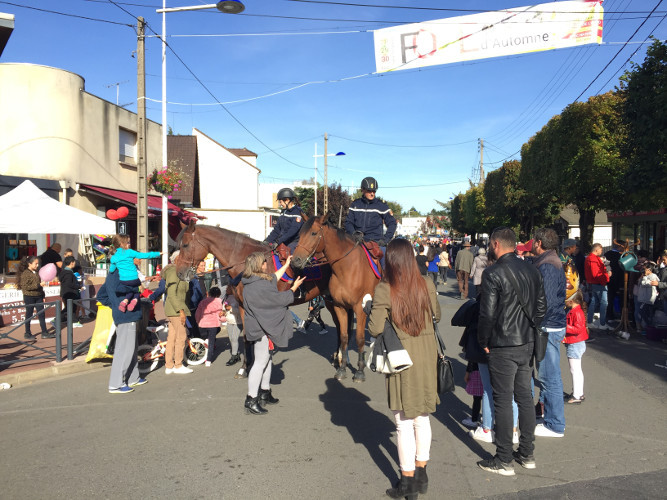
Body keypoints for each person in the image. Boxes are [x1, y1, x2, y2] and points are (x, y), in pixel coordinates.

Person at [366, 238, 441, 498]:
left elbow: (375, 329)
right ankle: (421, 471)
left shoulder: (385, 289)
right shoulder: (428, 283)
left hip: (401, 356)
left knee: (403, 422)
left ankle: (407, 483)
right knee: (422, 417)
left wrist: (373, 309)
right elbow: (437, 316)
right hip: (427, 353)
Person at [477, 227, 546, 476]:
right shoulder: (532, 269)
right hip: (527, 341)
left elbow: (488, 313)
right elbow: (541, 307)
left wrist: (483, 339)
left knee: (503, 400)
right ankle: (527, 453)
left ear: (496, 244)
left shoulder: (493, 273)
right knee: (525, 398)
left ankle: (504, 457)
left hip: (503, 343)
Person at [241, 252, 305, 415]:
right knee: (260, 362)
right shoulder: (259, 285)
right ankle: (251, 399)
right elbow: (278, 300)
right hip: (261, 327)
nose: (266, 264)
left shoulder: (254, 280)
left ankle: (265, 392)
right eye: (264, 262)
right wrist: (293, 289)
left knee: (267, 359)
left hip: (260, 325)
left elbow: (273, 277)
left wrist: (286, 264)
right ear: (258, 265)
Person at [531, 228, 567, 438]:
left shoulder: (549, 265)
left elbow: (548, 300)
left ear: (539, 243)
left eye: (533, 241)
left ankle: (554, 424)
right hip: (551, 323)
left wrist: (535, 321)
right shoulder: (549, 261)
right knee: (548, 375)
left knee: (549, 376)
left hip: (548, 325)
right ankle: (545, 414)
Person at [96, 263, 147, 393]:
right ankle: (116, 384)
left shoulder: (113, 274)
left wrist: (114, 304)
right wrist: (118, 304)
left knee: (131, 348)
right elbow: (119, 291)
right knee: (125, 350)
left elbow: (101, 295)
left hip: (126, 315)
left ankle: (132, 377)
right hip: (126, 316)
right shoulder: (122, 275)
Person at [345, 177, 397, 267]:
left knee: (386, 265)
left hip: (376, 243)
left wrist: (385, 240)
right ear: (363, 190)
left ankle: (386, 279)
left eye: (374, 191)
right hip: (357, 242)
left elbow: (392, 223)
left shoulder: (382, 206)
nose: (372, 193)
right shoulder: (355, 205)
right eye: (369, 191)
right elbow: (348, 222)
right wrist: (353, 233)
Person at [108, 234, 160, 312]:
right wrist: (158, 253)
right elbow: (145, 255)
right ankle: (134, 300)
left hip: (123, 281)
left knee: (130, 290)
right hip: (134, 279)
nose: (129, 244)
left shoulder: (114, 257)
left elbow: (111, 270)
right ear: (122, 243)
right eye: (128, 242)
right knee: (136, 290)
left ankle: (125, 301)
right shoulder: (129, 252)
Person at [162, 251, 194, 375]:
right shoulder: (173, 272)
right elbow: (172, 293)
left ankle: (169, 365)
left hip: (174, 309)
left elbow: (190, 278)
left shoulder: (179, 272)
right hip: (175, 310)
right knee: (181, 337)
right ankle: (178, 365)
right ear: (177, 260)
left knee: (172, 337)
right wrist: (181, 310)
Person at [17, 256, 54, 340]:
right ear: (29, 264)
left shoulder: (37, 272)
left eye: (38, 264)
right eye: (35, 264)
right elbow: (25, 286)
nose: (37, 265)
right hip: (29, 296)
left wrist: (43, 295)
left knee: (41, 314)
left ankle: (44, 332)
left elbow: (40, 285)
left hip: (38, 296)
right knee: (29, 314)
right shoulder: (25, 273)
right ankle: (27, 333)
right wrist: (38, 285)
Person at [564, 289, 588, 404]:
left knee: (575, 370)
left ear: (572, 300)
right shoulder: (576, 311)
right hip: (577, 342)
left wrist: (564, 326)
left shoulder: (576, 312)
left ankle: (577, 395)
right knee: (577, 370)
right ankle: (579, 392)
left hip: (575, 343)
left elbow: (578, 329)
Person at [263, 187, 304, 253]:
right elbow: (276, 230)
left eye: (281, 202)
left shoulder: (298, 212)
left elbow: (292, 231)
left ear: (287, 200)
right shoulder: (283, 212)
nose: (280, 204)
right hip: (282, 240)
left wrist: (278, 241)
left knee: (289, 252)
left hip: (294, 242)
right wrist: (267, 241)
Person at [585, 243, 612, 330]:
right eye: (600, 249)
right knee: (604, 303)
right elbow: (596, 274)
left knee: (593, 301)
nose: (601, 251)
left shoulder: (591, 258)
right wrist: (606, 276)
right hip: (599, 283)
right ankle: (602, 323)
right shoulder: (593, 259)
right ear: (596, 250)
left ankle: (590, 321)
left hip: (594, 283)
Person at [195, 286, 224, 367]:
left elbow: (198, 313)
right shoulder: (219, 301)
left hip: (203, 323)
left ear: (209, 293)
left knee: (207, 338)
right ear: (219, 294)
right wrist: (224, 319)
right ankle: (208, 360)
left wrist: (198, 321)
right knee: (211, 342)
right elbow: (220, 314)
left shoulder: (203, 302)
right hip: (213, 324)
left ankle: (205, 340)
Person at [59, 256, 83, 328]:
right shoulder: (68, 273)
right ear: (72, 263)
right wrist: (78, 286)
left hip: (67, 292)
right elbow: (69, 284)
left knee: (71, 308)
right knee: (70, 307)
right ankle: (57, 319)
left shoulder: (64, 272)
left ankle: (74, 321)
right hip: (69, 292)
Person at [605, 242, 624, 321]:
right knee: (621, 299)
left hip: (609, 280)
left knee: (610, 299)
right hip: (619, 280)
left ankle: (609, 315)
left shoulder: (606, 254)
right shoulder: (622, 256)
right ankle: (621, 316)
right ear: (620, 247)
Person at [224, 287, 242, 366]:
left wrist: (231, 308)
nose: (226, 289)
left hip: (237, 321)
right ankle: (237, 354)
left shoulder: (238, 298)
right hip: (229, 321)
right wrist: (223, 311)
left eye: (228, 288)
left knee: (234, 338)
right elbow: (224, 307)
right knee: (231, 339)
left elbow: (240, 310)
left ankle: (234, 356)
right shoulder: (226, 297)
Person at [638, 262, 659, 331]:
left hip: (649, 299)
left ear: (649, 269)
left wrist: (644, 278)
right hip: (643, 298)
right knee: (643, 313)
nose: (644, 270)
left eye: (645, 269)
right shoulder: (644, 276)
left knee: (644, 313)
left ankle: (650, 327)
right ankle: (646, 328)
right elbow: (639, 283)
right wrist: (642, 277)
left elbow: (646, 284)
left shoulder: (653, 276)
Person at [462, 361, 483, 428]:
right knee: (488, 397)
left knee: (477, 398)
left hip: (477, 370)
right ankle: (487, 419)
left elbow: (472, 358)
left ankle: (474, 420)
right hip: (491, 370)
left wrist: (467, 373)